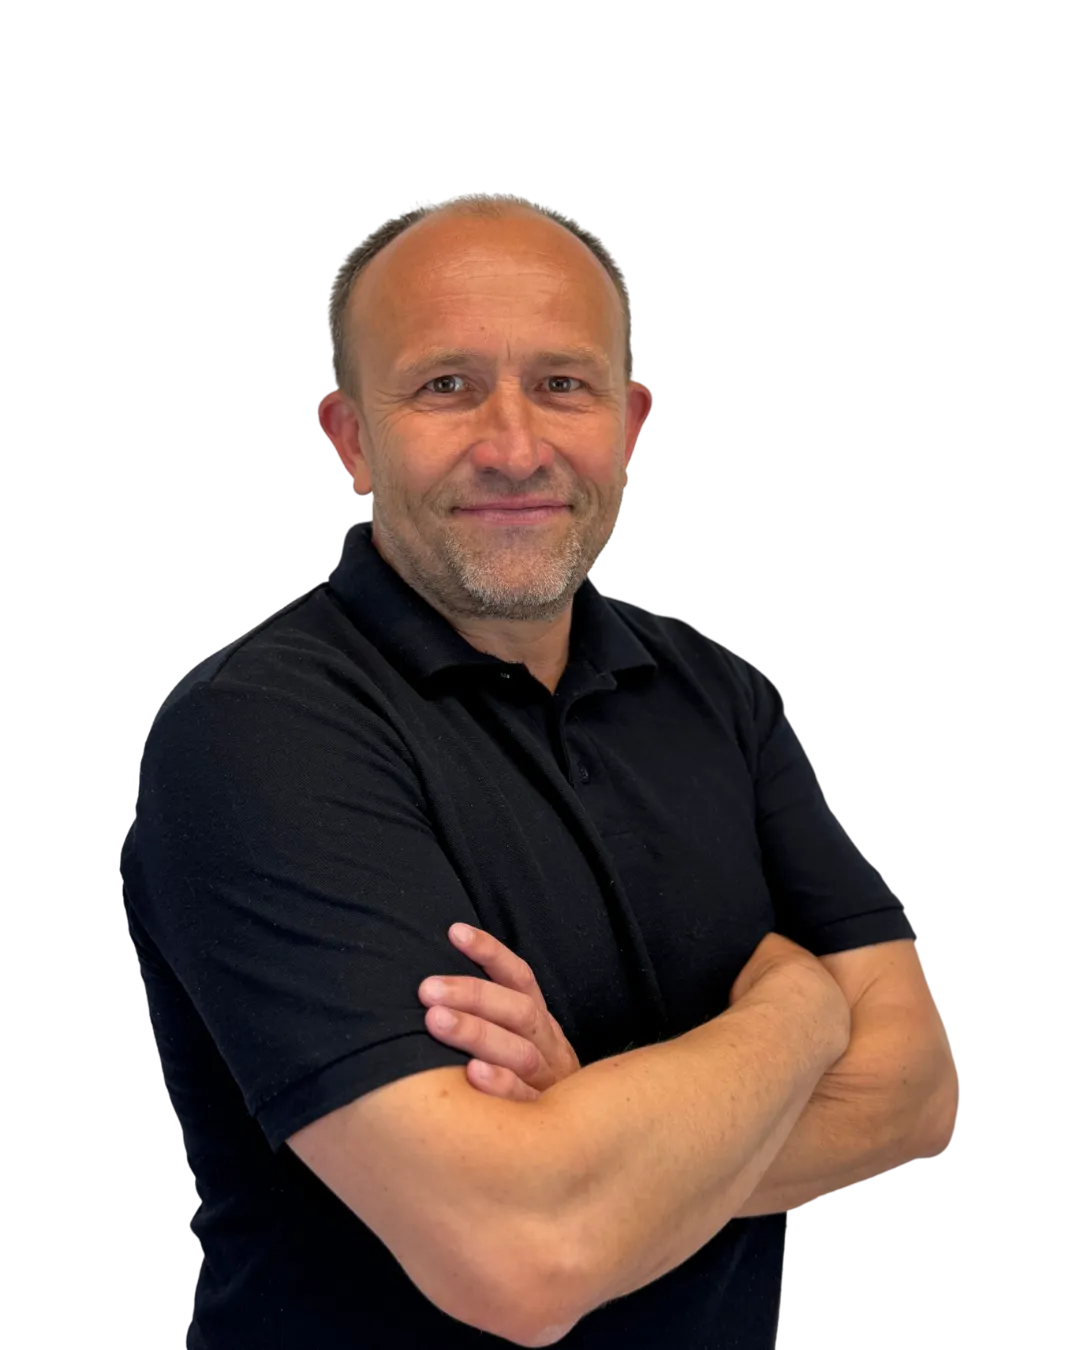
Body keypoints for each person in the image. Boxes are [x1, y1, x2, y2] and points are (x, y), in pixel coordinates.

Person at [120, 194, 917, 1347]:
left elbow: (916, 1093)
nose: (514, 445)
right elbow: (519, 1260)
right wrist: (794, 1015)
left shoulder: (717, 690)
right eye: (445, 385)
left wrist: (595, 1155)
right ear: (351, 439)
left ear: (631, 420)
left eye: (562, 384)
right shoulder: (254, 738)